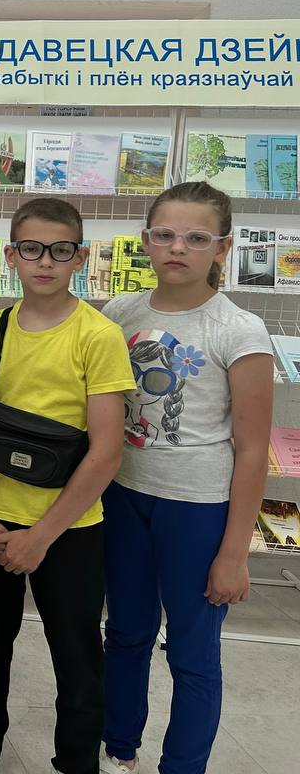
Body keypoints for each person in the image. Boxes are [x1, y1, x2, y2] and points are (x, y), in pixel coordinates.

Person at [0, 197, 135, 774]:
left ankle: (77, 762)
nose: (44, 261)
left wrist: (42, 536)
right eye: (31, 249)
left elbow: (106, 452)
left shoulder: (98, 336)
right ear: (11, 256)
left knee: (77, 655)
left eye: (59, 250)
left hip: (69, 529)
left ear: (80, 257)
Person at [99, 182, 272, 774]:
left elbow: (252, 449)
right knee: (125, 633)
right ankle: (119, 749)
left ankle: (183, 766)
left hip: (198, 509)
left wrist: (234, 553)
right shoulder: (120, 313)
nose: (178, 248)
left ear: (223, 248)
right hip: (125, 496)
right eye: (166, 235)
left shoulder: (239, 330)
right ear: (146, 240)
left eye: (197, 238)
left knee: (193, 653)